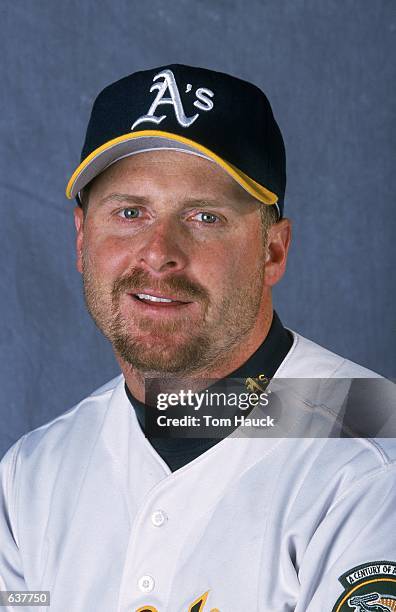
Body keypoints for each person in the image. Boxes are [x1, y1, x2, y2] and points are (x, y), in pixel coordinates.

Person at [0, 64, 395, 612]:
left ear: (272, 250)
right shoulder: (33, 476)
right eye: (130, 212)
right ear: (82, 239)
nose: (160, 250)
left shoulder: (373, 457)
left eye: (205, 216)